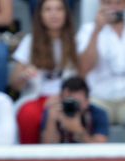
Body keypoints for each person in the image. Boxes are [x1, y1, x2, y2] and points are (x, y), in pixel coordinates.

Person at [10, 0, 80, 144]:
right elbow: (14, 85)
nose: (53, 14)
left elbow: (81, 79)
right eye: (48, 10)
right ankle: (28, 160)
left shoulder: (75, 42)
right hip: (36, 98)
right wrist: (23, 76)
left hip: (66, 97)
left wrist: (61, 97)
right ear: (40, 15)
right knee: (27, 114)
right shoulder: (30, 41)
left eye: (59, 9)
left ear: (66, 14)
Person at [41, 75, 110, 143]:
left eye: (77, 103)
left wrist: (79, 130)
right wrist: (51, 121)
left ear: (87, 101)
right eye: (68, 101)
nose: (73, 106)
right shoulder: (54, 111)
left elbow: (99, 149)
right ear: (60, 99)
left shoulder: (98, 113)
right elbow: (48, 147)